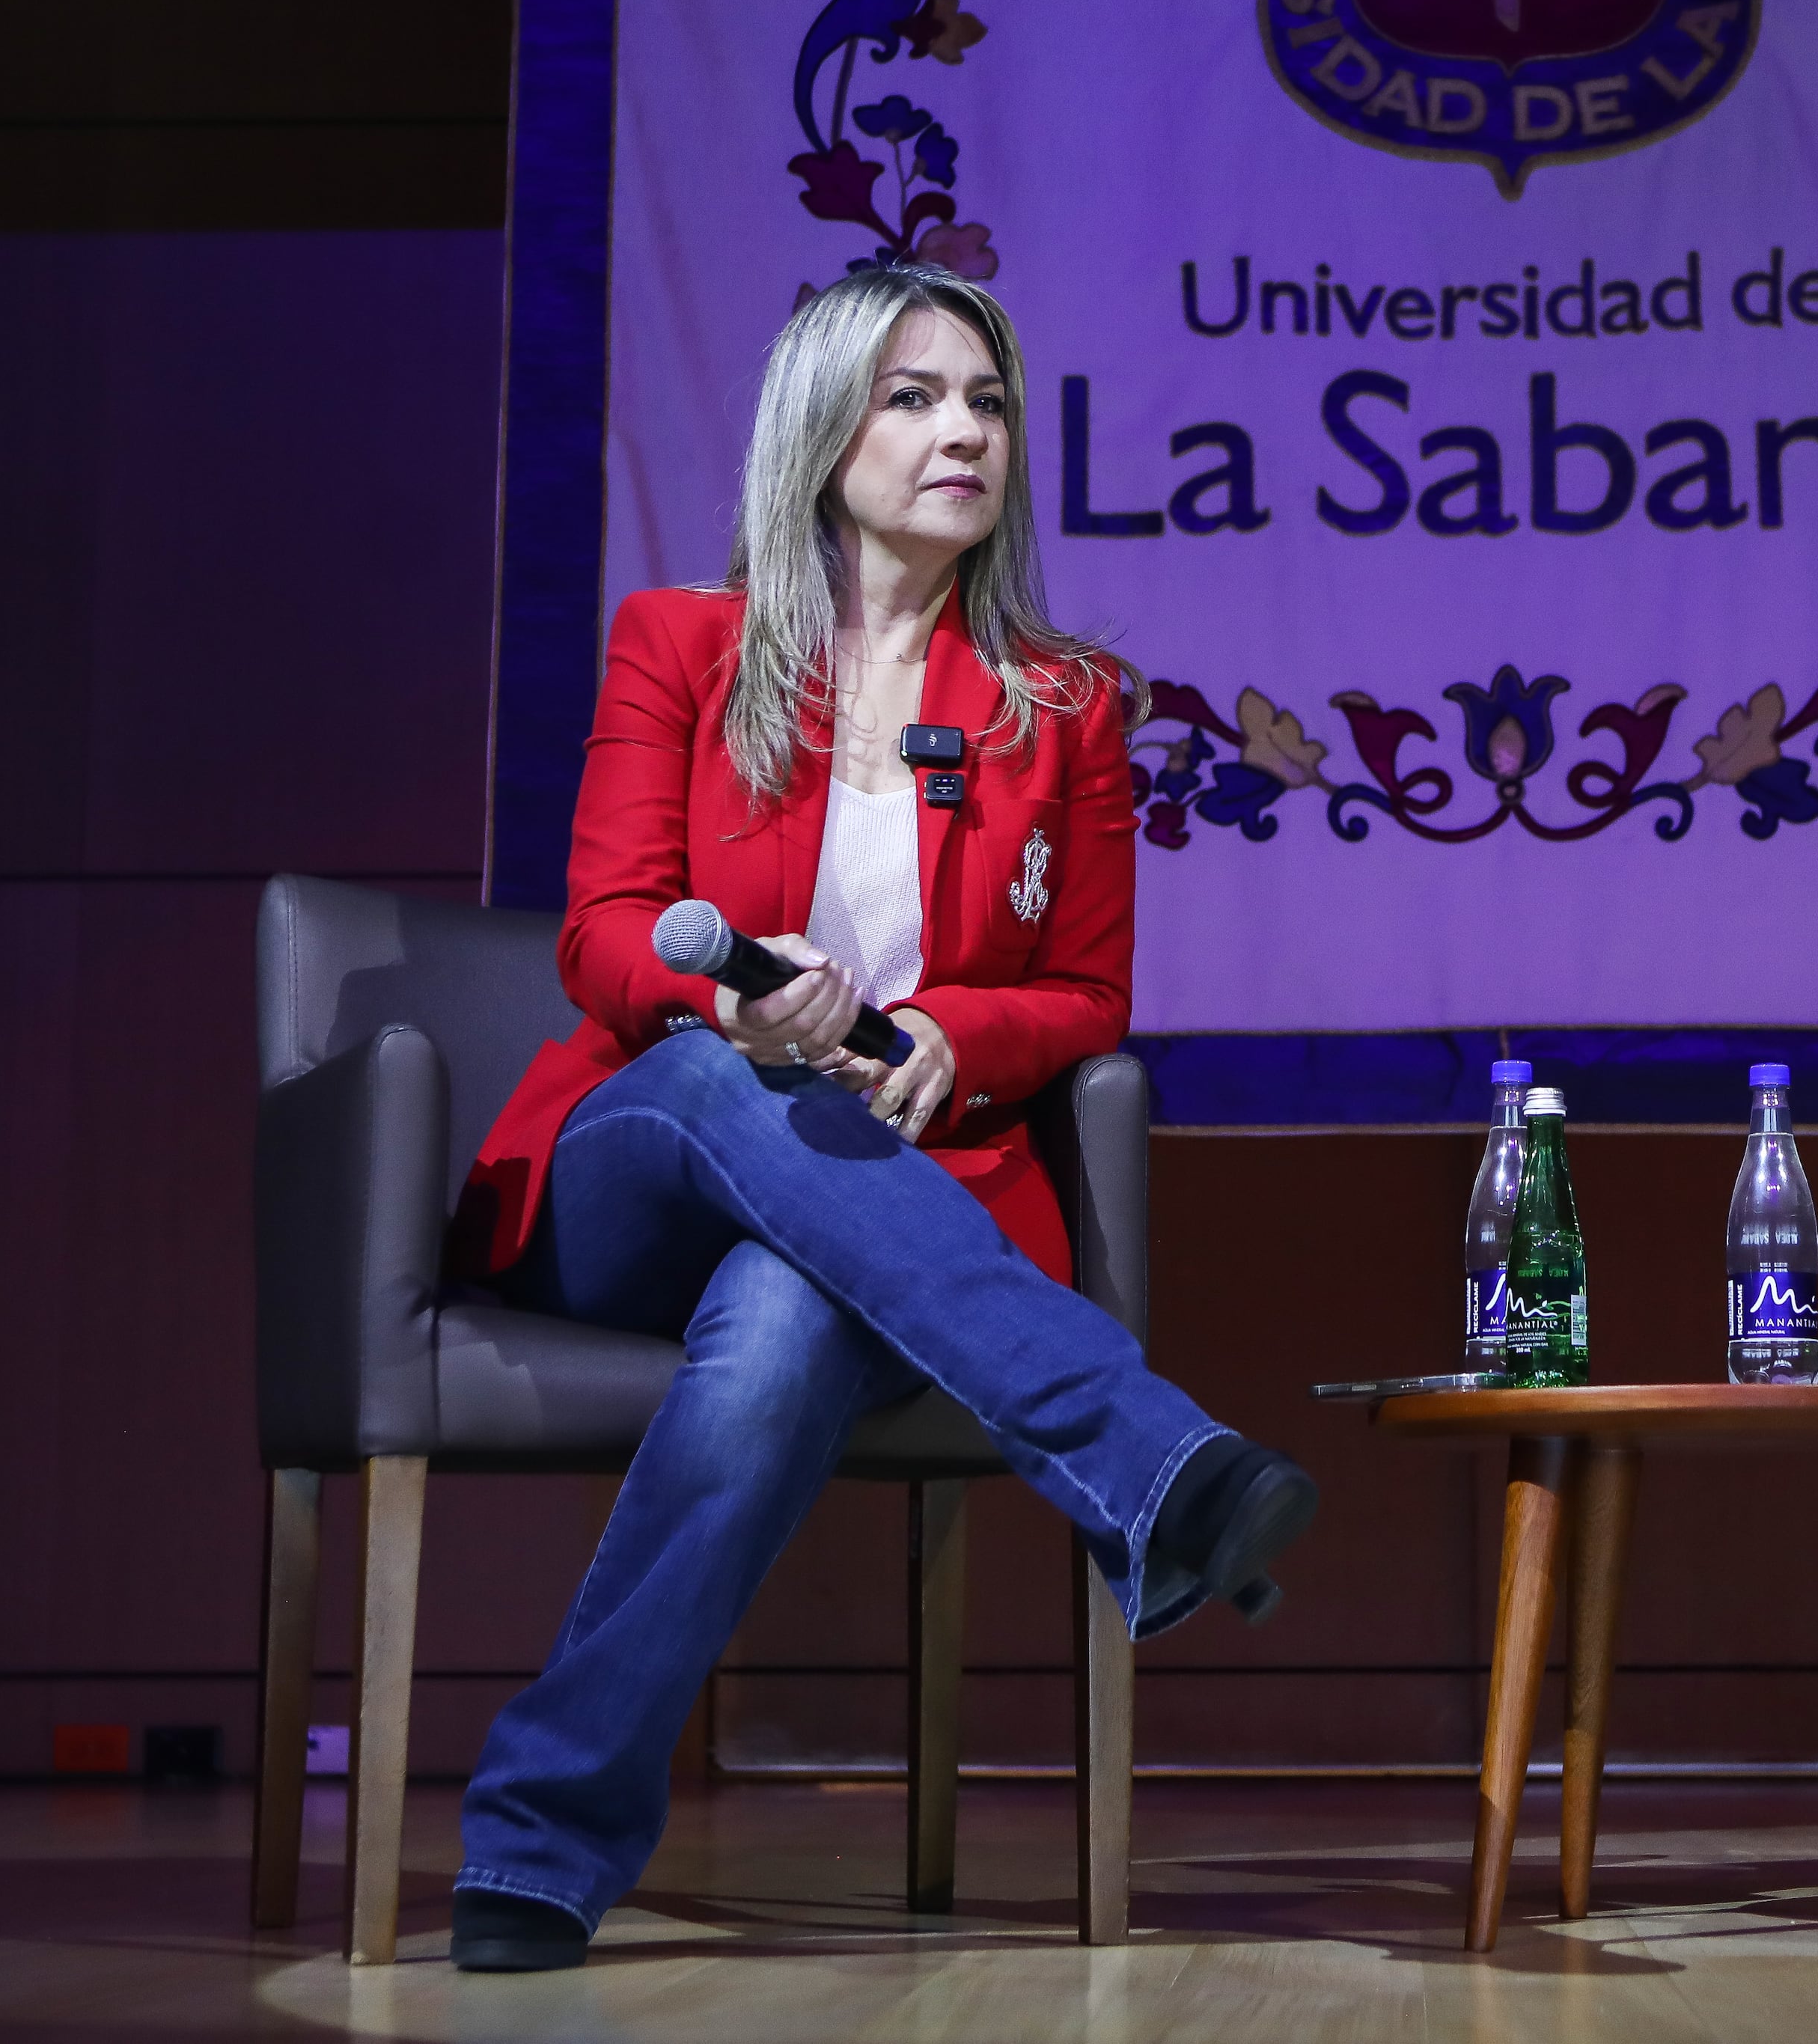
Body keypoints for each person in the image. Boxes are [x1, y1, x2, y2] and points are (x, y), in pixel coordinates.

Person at [439, 261, 1317, 1973]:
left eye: (983, 400)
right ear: (821, 430)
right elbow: (603, 932)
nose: (961, 431)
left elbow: (1084, 997)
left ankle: (536, 1845)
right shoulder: (682, 645)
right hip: (645, 1163)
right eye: (914, 396)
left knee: (776, 1327)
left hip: (891, 1194)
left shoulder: (1065, 705)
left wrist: (945, 1031)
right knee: (715, 1075)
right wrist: (733, 1003)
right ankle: (1141, 1454)